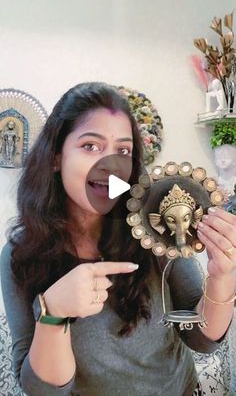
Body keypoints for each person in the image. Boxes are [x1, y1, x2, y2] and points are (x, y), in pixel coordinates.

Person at [0, 82, 236, 396]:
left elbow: (201, 339)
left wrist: (222, 276)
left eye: (122, 150)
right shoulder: (20, 253)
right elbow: (40, 389)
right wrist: (53, 314)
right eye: (90, 146)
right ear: (56, 157)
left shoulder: (155, 227)